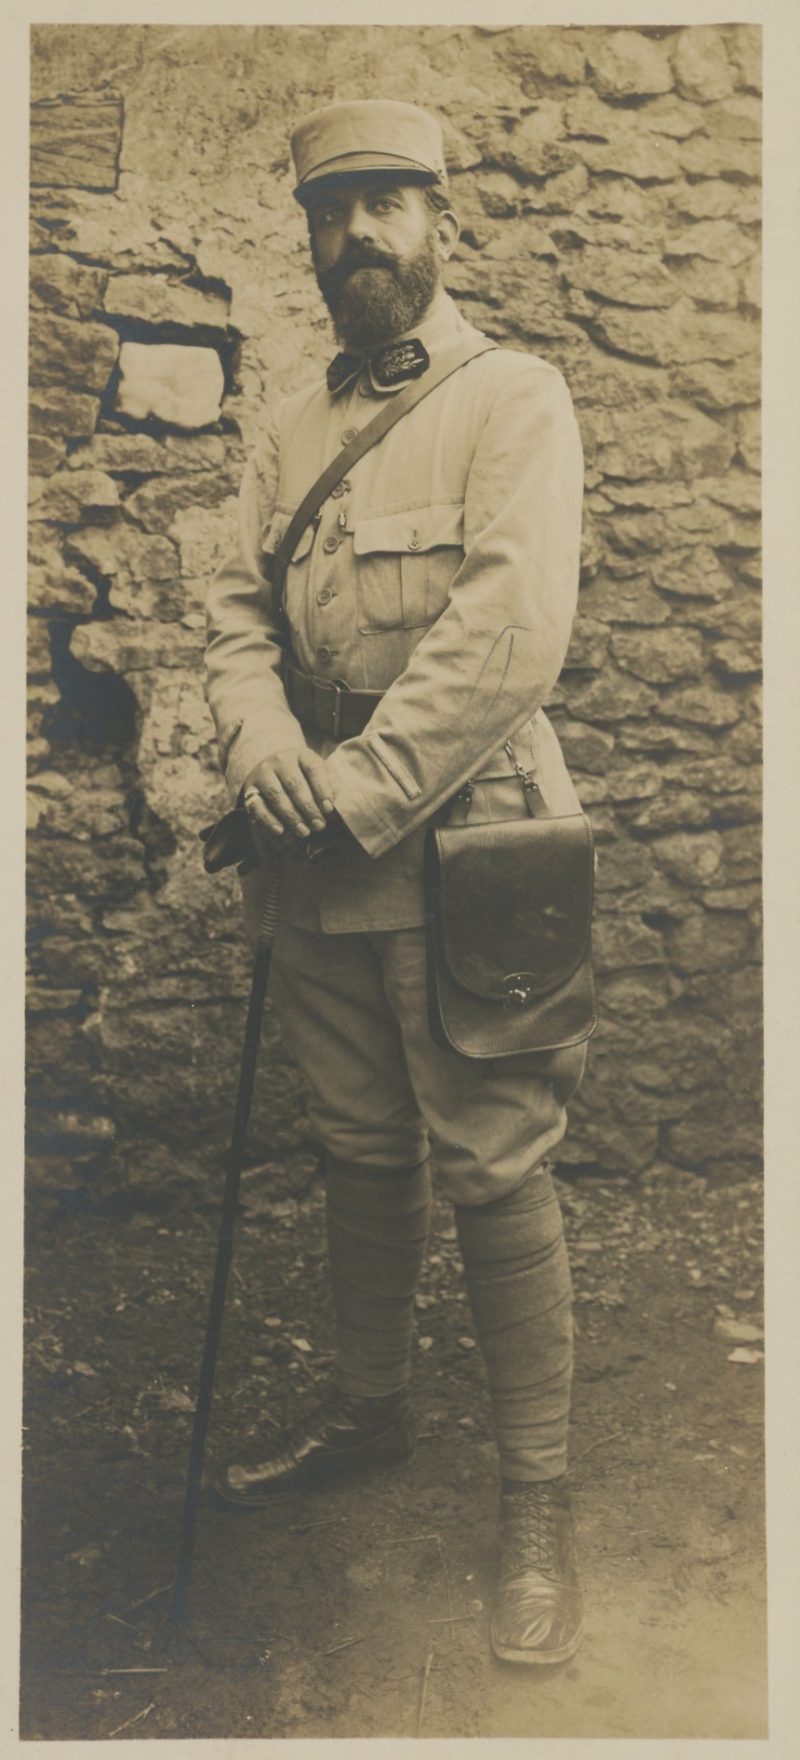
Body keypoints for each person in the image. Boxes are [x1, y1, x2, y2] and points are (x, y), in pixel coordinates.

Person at [204, 98, 588, 1666]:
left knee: (494, 1158)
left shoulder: (514, 399)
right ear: (307, 238)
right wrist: (256, 746)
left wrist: (348, 787)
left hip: (468, 839)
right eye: (332, 212)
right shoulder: (287, 429)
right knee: (357, 1141)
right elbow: (235, 613)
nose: (359, 234)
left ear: (442, 219)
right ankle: (371, 1415)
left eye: (387, 205)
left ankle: (536, 1510)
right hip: (310, 845)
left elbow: (509, 635)